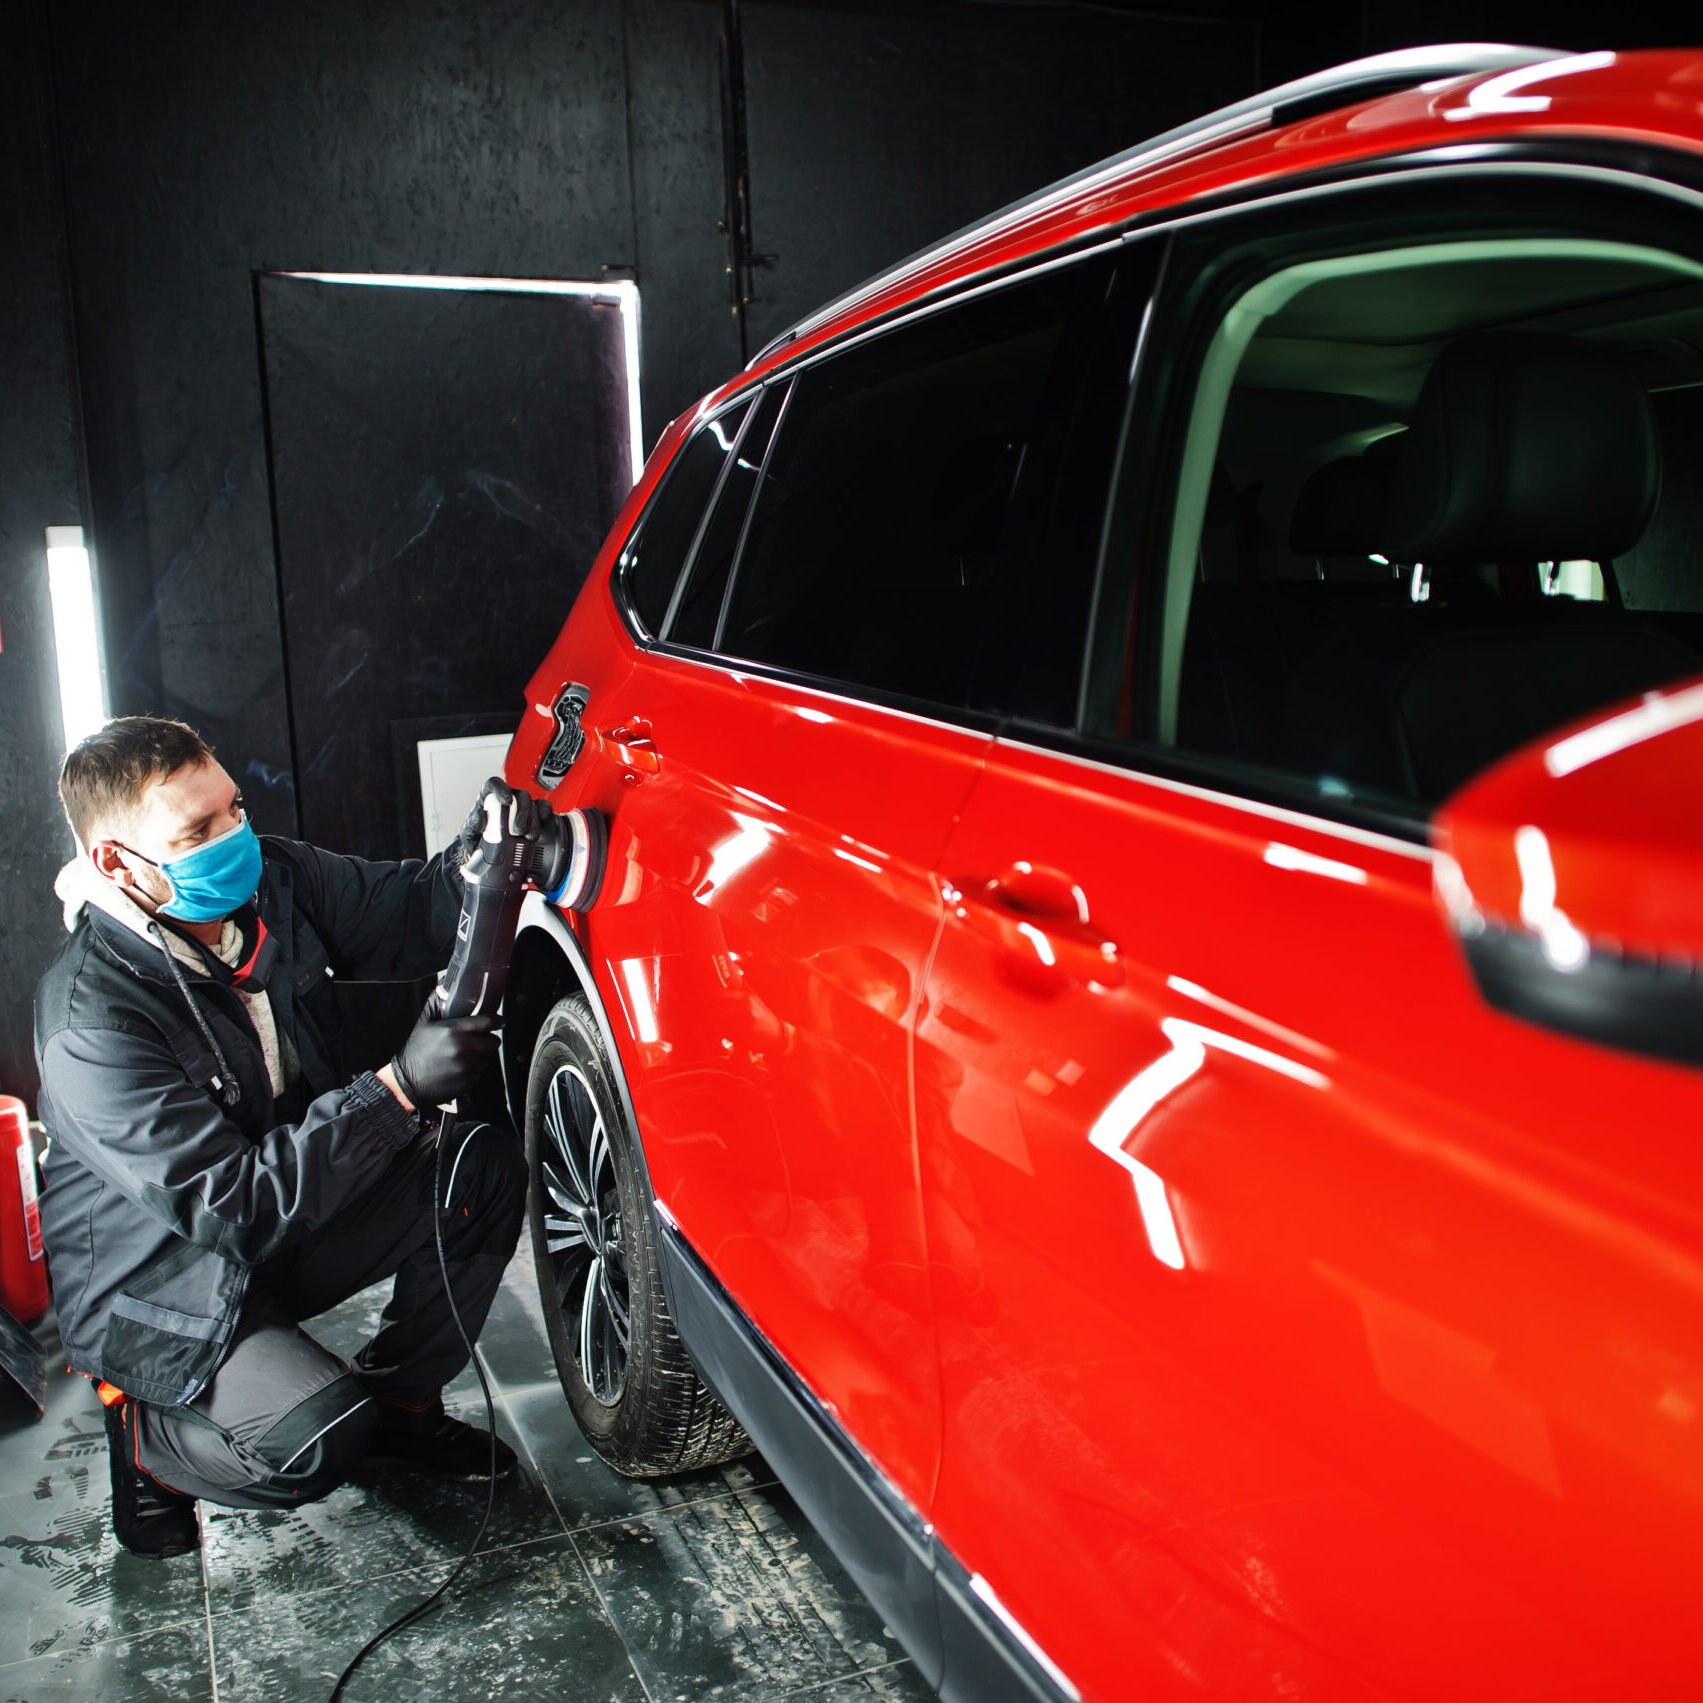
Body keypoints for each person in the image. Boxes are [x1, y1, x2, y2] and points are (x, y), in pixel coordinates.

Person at [34, 715, 530, 1559]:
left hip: (276, 1217)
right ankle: (149, 1439)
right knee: (315, 1433)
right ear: (116, 861)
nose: (235, 837)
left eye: (233, 808)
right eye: (198, 830)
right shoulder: (92, 1019)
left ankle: (405, 1404)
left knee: (476, 1169)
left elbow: (414, 908)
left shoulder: (269, 884)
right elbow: (230, 1207)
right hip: (160, 1283)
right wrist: (397, 1089)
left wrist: (483, 850)